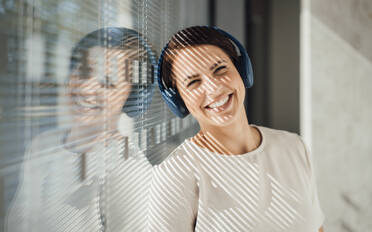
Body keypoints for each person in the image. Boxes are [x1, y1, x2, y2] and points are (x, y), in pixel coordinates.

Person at [149, 26, 325, 232]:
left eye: (220, 69)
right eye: (194, 82)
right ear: (179, 100)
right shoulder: (176, 173)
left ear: (242, 71)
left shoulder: (294, 147)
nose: (214, 88)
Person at [6, 27, 156, 232]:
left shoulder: (129, 171)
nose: (85, 88)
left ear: (132, 97)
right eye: (82, 71)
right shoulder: (43, 144)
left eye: (107, 81)